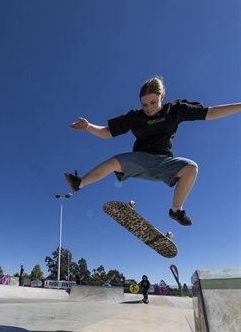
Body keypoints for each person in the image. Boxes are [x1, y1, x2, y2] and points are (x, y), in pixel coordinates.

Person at [65, 76, 241, 226]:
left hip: (164, 163)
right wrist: (89, 127)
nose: (148, 108)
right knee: (114, 161)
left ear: (162, 96)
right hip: (139, 160)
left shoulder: (176, 110)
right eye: (144, 104)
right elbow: (108, 132)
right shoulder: (135, 116)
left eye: (152, 102)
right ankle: (79, 183)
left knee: (191, 168)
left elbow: (209, 113)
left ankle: (176, 210)